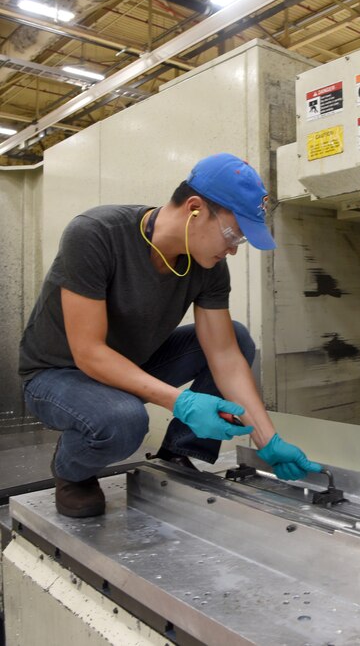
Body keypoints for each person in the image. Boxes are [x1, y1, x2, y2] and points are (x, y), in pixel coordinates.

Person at [19, 152, 321, 518]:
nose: (230, 250)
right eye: (232, 235)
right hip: (60, 374)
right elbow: (89, 352)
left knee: (237, 338)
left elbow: (224, 355)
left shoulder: (208, 266)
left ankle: (179, 455)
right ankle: (72, 472)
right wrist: (182, 402)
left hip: (133, 363)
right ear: (194, 208)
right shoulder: (96, 234)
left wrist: (267, 440)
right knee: (124, 420)